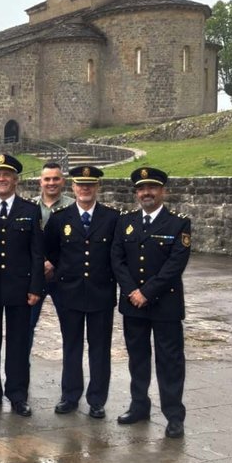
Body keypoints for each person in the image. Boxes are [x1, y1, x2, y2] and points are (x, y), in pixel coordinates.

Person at [111, 167, 191, 438]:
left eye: (152, 188)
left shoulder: (178, 223)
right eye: (142, 189)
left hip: (165, 304)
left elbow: (175, 264)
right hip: (133, 304)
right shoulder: (126, 221)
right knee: (138, 358)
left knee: (170, 361)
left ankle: (174, 415)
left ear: (162, 191)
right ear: (136, 193)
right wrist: (132, 290)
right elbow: (117, 259)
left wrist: (147, 292)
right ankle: (139, 405)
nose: (147, 193)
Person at [43, 166, 118, 419]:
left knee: (99, 348)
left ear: (97, 187)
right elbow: (51, 251)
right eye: (80, 185)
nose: (85, 189)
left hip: (101, 292)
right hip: (70, 292)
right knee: (71, 345)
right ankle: (70, 395)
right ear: (73, 187)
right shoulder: (60, 217)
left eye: (90, 185)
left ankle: (97, 399)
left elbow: (117, 256)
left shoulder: (112, 217)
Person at [0, 154, 44, 417]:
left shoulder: (30, 210)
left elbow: (37, 253)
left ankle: (17, 394)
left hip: (20, 289)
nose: (1, 179)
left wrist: (36, 287)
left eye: (7, 175)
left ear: (15, 180)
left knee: (18, 343)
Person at [29, 162, 75, 355]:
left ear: (63, 181)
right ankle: (21, 377)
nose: (51, 183)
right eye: (47, 179)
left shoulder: (73, 207)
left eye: (56, 178)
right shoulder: (29, 206)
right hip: (34, 277)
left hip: (63, 275)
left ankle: (71, 381)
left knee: (71, 330)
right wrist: (40, 264)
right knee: (26, 328)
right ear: (40, 181)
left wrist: (53, 263)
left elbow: (76, 244)